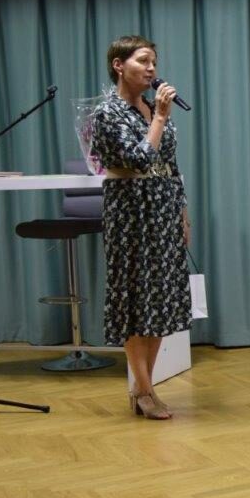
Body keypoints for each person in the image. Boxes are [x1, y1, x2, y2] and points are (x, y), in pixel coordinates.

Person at [91, 35, 192, 420]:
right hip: (131, 211)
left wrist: (182, 213)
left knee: (160, 298)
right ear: (119, 65)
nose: (151, 69)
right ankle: (145, 390)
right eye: (143, 61)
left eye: (154, 62)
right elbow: (138, 160)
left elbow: (170, 164)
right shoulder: (108, 113)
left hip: (163, 208)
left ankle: (141, 387)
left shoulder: (151, 107)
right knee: (136, 298)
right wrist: (161, 118)